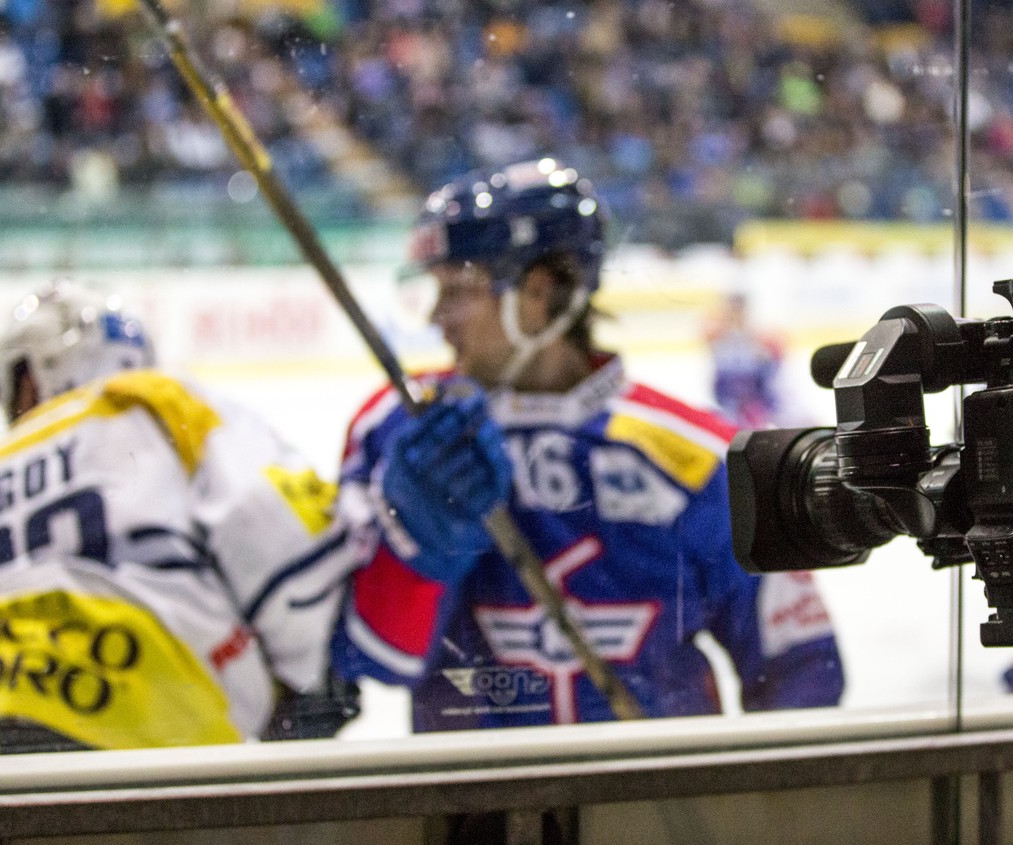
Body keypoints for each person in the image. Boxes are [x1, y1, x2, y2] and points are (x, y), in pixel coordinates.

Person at [330, 158, 845, 732]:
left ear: (539, 291)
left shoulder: (701, 458)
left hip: (649, 807)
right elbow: (369, 661)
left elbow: (798, 666)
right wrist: (413, 550)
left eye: (459, 289)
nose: (435, 316)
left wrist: (749, 810)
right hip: (469, 810)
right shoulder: (400, 430)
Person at [0, 284, 356, 757]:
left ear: (30, 378)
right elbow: (279, 536)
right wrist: (308, 679)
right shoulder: (159, 404)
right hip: (131, 731)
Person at [705, 291, 786, 429]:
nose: (735, 312)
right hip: (729, 394)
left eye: (738, 308)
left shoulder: (760, 335)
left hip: (755, 395)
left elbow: (772, 369)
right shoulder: (719, 336)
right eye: (732, 308)